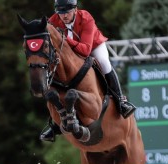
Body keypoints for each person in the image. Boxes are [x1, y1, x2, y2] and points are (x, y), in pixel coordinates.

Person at [40, 0, 136, 142]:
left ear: (75, 9)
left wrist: (64, 40)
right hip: (68, 52)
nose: (64, 16)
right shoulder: (53, 22)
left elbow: (85, 50)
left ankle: (121, 101)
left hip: (93, 46)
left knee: (104, 63)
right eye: (60, 13)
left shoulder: (85, 18)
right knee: (57, 73)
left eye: (67, 12)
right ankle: (55, 124)